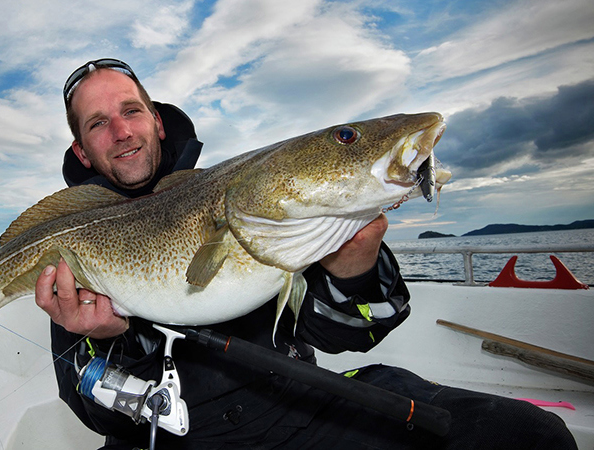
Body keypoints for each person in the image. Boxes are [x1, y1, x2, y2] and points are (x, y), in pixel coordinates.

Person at [35, 58, 577, 449]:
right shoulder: (73, 241)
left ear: (156, 118)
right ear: (83, 150)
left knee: (529, 437)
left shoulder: (263, 206)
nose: (122, 131)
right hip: (174, 437)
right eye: (98, 123)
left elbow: (351, 335)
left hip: (302, 407)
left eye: (131, 111)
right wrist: (111, 343)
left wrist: (355, 271)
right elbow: (101, 419)